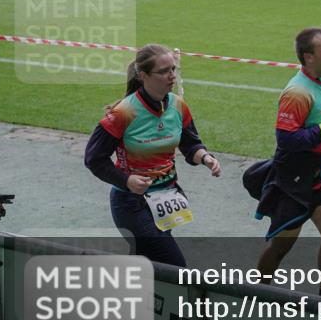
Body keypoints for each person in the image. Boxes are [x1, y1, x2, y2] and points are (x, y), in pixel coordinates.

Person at [84, 44, 221, 266]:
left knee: (146, 262)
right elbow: (94, 159)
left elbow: (190, 144)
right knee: (175, 267)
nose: (172, 76)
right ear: (143, 75)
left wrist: (206, 158)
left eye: (173, 69)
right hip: (131, 203)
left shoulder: (178, 105)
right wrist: (126, 180)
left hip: (166, 198)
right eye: (164, 71)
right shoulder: (123, 113)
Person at [254, 27, 321, 297]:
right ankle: (256, 294)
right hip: (294, 180)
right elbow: (286, 140)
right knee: (282, 246)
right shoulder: (297, 93)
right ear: (309, 57)